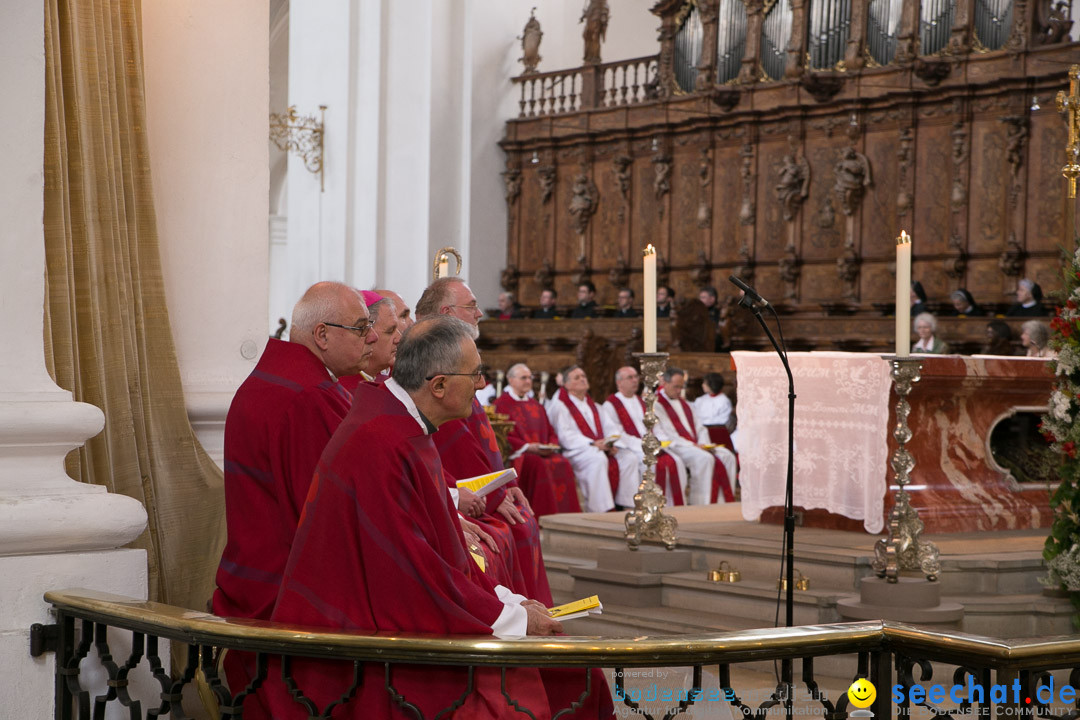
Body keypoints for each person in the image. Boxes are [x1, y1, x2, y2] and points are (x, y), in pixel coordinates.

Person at [264, 317, 563, 719]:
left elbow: (437, 551)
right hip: (348, 656)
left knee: (563, 672)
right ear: (438, 385)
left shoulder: (400, 424)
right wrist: (511, 617)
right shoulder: (383, 442)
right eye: (475, 374)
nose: (480, 385)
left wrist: (506, 600)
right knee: (535, 690)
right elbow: (411, 573)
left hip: (376, 623)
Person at [212, 281, 380, 714]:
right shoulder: (310, 397)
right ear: (322, 335)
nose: (373, 338)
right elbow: (330, 518)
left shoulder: (277, 378)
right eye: (362, 328)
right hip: (286, 595)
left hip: (252, 573)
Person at [416, 277, 551, 603]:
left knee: (522, 519)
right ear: (447, 311)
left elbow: (479, 435)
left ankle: (530, 618)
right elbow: (452, 444)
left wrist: (503, 484)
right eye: (472, 306)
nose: (479, 314)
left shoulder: (456, 357)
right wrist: (491, 494)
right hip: (459, 492)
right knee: (511, 529)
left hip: (472, 487)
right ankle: (516, 620)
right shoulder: (435, 363)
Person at [493, 364, 582, 516]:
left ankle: (568, 515)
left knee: (563, 462)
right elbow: (501, 435)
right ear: (511, 380)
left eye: (530, 378)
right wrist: (527, 446)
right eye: (523, 378)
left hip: (541, 452)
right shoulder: (501, 404)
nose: (528, 381)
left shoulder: (536, 405)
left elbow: (550, 430)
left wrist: (551, 444)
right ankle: (544, 515)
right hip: (519, 454)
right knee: (539, 464)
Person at [600, 366, 687, 507]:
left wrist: (661, 442)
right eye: (630, 377)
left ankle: (673, 505)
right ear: (619, 382)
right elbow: (616, 434)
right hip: (631, 448)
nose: (635, 380)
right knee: (649, 463)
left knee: (677, 461)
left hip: (651, 446)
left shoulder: (644, 402)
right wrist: (643, 445)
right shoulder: (610, 405)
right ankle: (647, 507)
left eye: (636, 377)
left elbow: (656, 427)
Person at [654, 368, 736, 504]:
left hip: (695, 445)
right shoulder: (657, 405)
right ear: (665, 384)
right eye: (676, 387)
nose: (679, 390)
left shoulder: (685, 403)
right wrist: (694, 445)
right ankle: (701, 503)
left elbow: (700, 427)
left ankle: (723, 502)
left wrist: (703, 443)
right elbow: (669, 434)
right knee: (704, 459)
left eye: (681, 387)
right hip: (677, 446)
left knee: (728, 456)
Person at [546, 366, 622, 512]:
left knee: (628, 457)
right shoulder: (560, 406)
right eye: (577, 377)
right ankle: (600, 510)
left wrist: (610, 442)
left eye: (583, 376)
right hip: (575, 450)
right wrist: (592, 443)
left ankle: (626, 505)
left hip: (599, 446)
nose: (582, 379)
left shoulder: (594, 405)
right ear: (566, 384)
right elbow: (565, 435)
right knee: (597, 458)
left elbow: (611, 427)